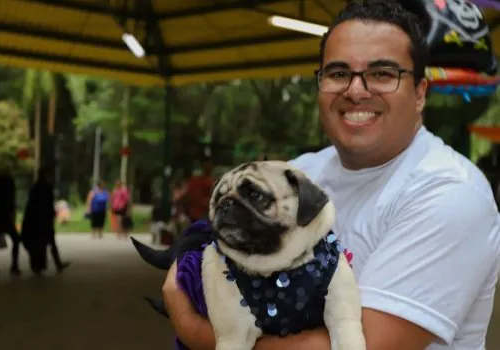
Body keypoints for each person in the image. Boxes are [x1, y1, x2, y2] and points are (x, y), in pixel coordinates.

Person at [161, 2, 500, 349]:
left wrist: (193, 327)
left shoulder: (450, 194)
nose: (355, 90)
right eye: (339, 73)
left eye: (383, 74)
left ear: (419, 93)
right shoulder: (300, 175)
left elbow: (364, 345)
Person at [21, 165, 70, 275]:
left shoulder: (35, 187)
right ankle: (53, 264)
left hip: (35, 219)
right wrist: (51, 215)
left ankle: (41, 266)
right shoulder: (46, 187)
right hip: (43, 219)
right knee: (48, 241)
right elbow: (47, 204)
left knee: (41, 242)